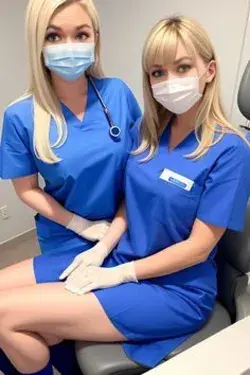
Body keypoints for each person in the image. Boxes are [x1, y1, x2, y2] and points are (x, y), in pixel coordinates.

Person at [0, 14, 250, 374]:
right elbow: (129, 204)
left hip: (174, 289)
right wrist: (101, 249)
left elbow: (199, 247)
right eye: (158, 73)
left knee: (8, 317)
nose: (169, 81)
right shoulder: (149, 131)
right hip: (120, 255)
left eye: (183, 68)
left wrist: (121, 274)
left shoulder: (231, 150)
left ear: (210, 70)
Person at [0, 0, 141, 373]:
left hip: (121, 231)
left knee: (22, 320)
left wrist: (107, 236)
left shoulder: (117, 95)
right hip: (66, 235)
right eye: (53, 35)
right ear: (37, 43)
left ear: (96, 39)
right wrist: (81, 225)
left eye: (80, 34)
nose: (69, 46)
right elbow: (27, 189)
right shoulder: (21, 116)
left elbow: (139, 174)